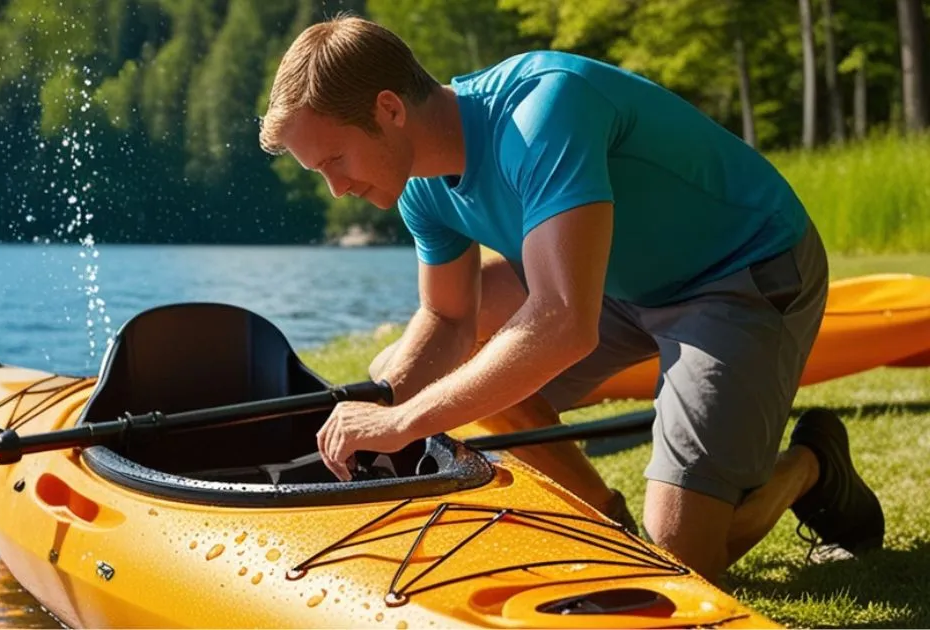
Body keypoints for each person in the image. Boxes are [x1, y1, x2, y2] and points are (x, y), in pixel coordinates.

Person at [257, 14, 884, 581]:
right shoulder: (422, 186)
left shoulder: (540, 112)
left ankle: (812, 465)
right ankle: (607, 524)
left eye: (336, 158)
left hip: (740, 272)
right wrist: (379, 402)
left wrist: (401, 422)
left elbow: (561, 323)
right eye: (321, 172)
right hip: (613, 280)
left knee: (685, 558)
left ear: (390, 109)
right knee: (397, 370)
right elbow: (448, 317)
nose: (337, 188)